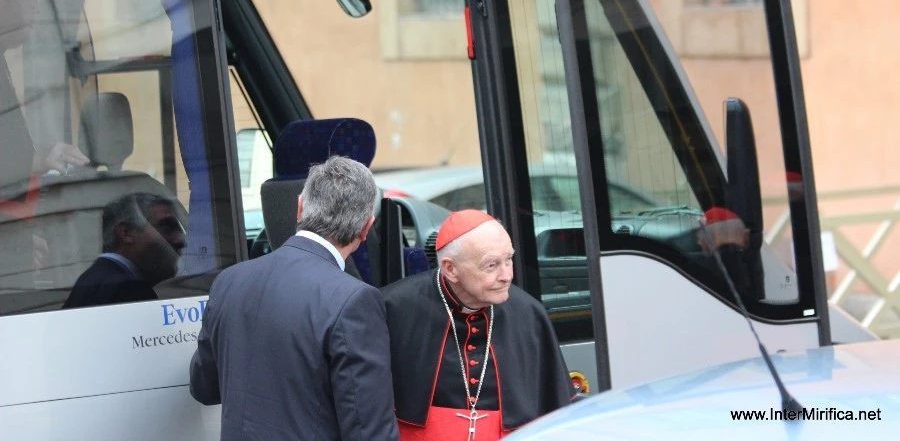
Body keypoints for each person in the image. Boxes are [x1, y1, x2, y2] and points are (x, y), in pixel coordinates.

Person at [189, 155, 400, 441]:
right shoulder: (354, 300)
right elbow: (368, 430)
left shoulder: (229, 280)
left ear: (300, 207)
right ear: (366, 228)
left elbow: (204, 387)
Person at [381, 209, 575, 440]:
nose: (506, 276)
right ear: (451, 268)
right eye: (491, 265)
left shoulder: (529, 313)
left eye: (509, 259)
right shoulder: (393, 306)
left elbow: (553, 410)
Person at [62, 192, 185, 308]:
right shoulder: (128, 289)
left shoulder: (91, 279)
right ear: (127, 233)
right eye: (167, 227)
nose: (181, 240)